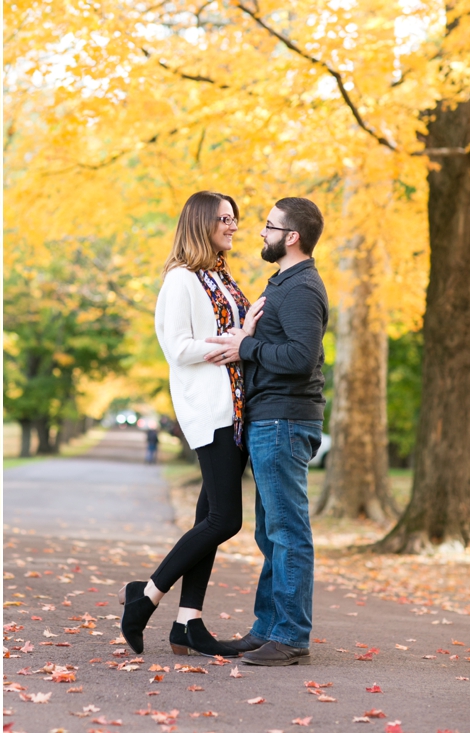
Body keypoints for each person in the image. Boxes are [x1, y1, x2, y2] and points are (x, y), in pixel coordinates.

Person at [119, 191, 265, 657]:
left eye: (234, 218)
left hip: (238, 410)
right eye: (224, 218)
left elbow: (239, 336)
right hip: (210, 409)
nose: (233, 225)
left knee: (209, 516)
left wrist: (247, 333)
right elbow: (176, 346)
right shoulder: (180, 280)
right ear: (201, 223)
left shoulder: (220, 278)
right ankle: (144, 598)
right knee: (226, 518)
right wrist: (227, 345)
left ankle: (188, 622)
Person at [204, 197, 328, 666]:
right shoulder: (283, 283)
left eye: (270, 226)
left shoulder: (301, 288)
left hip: (284, 419)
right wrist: (247, 341)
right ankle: (267, 629)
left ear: (290, 236)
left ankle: (291, 636)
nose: (260, 232)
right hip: (270, 417)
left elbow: (299, 358)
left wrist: (246, 347)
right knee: (269, 532)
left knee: (287, 531)